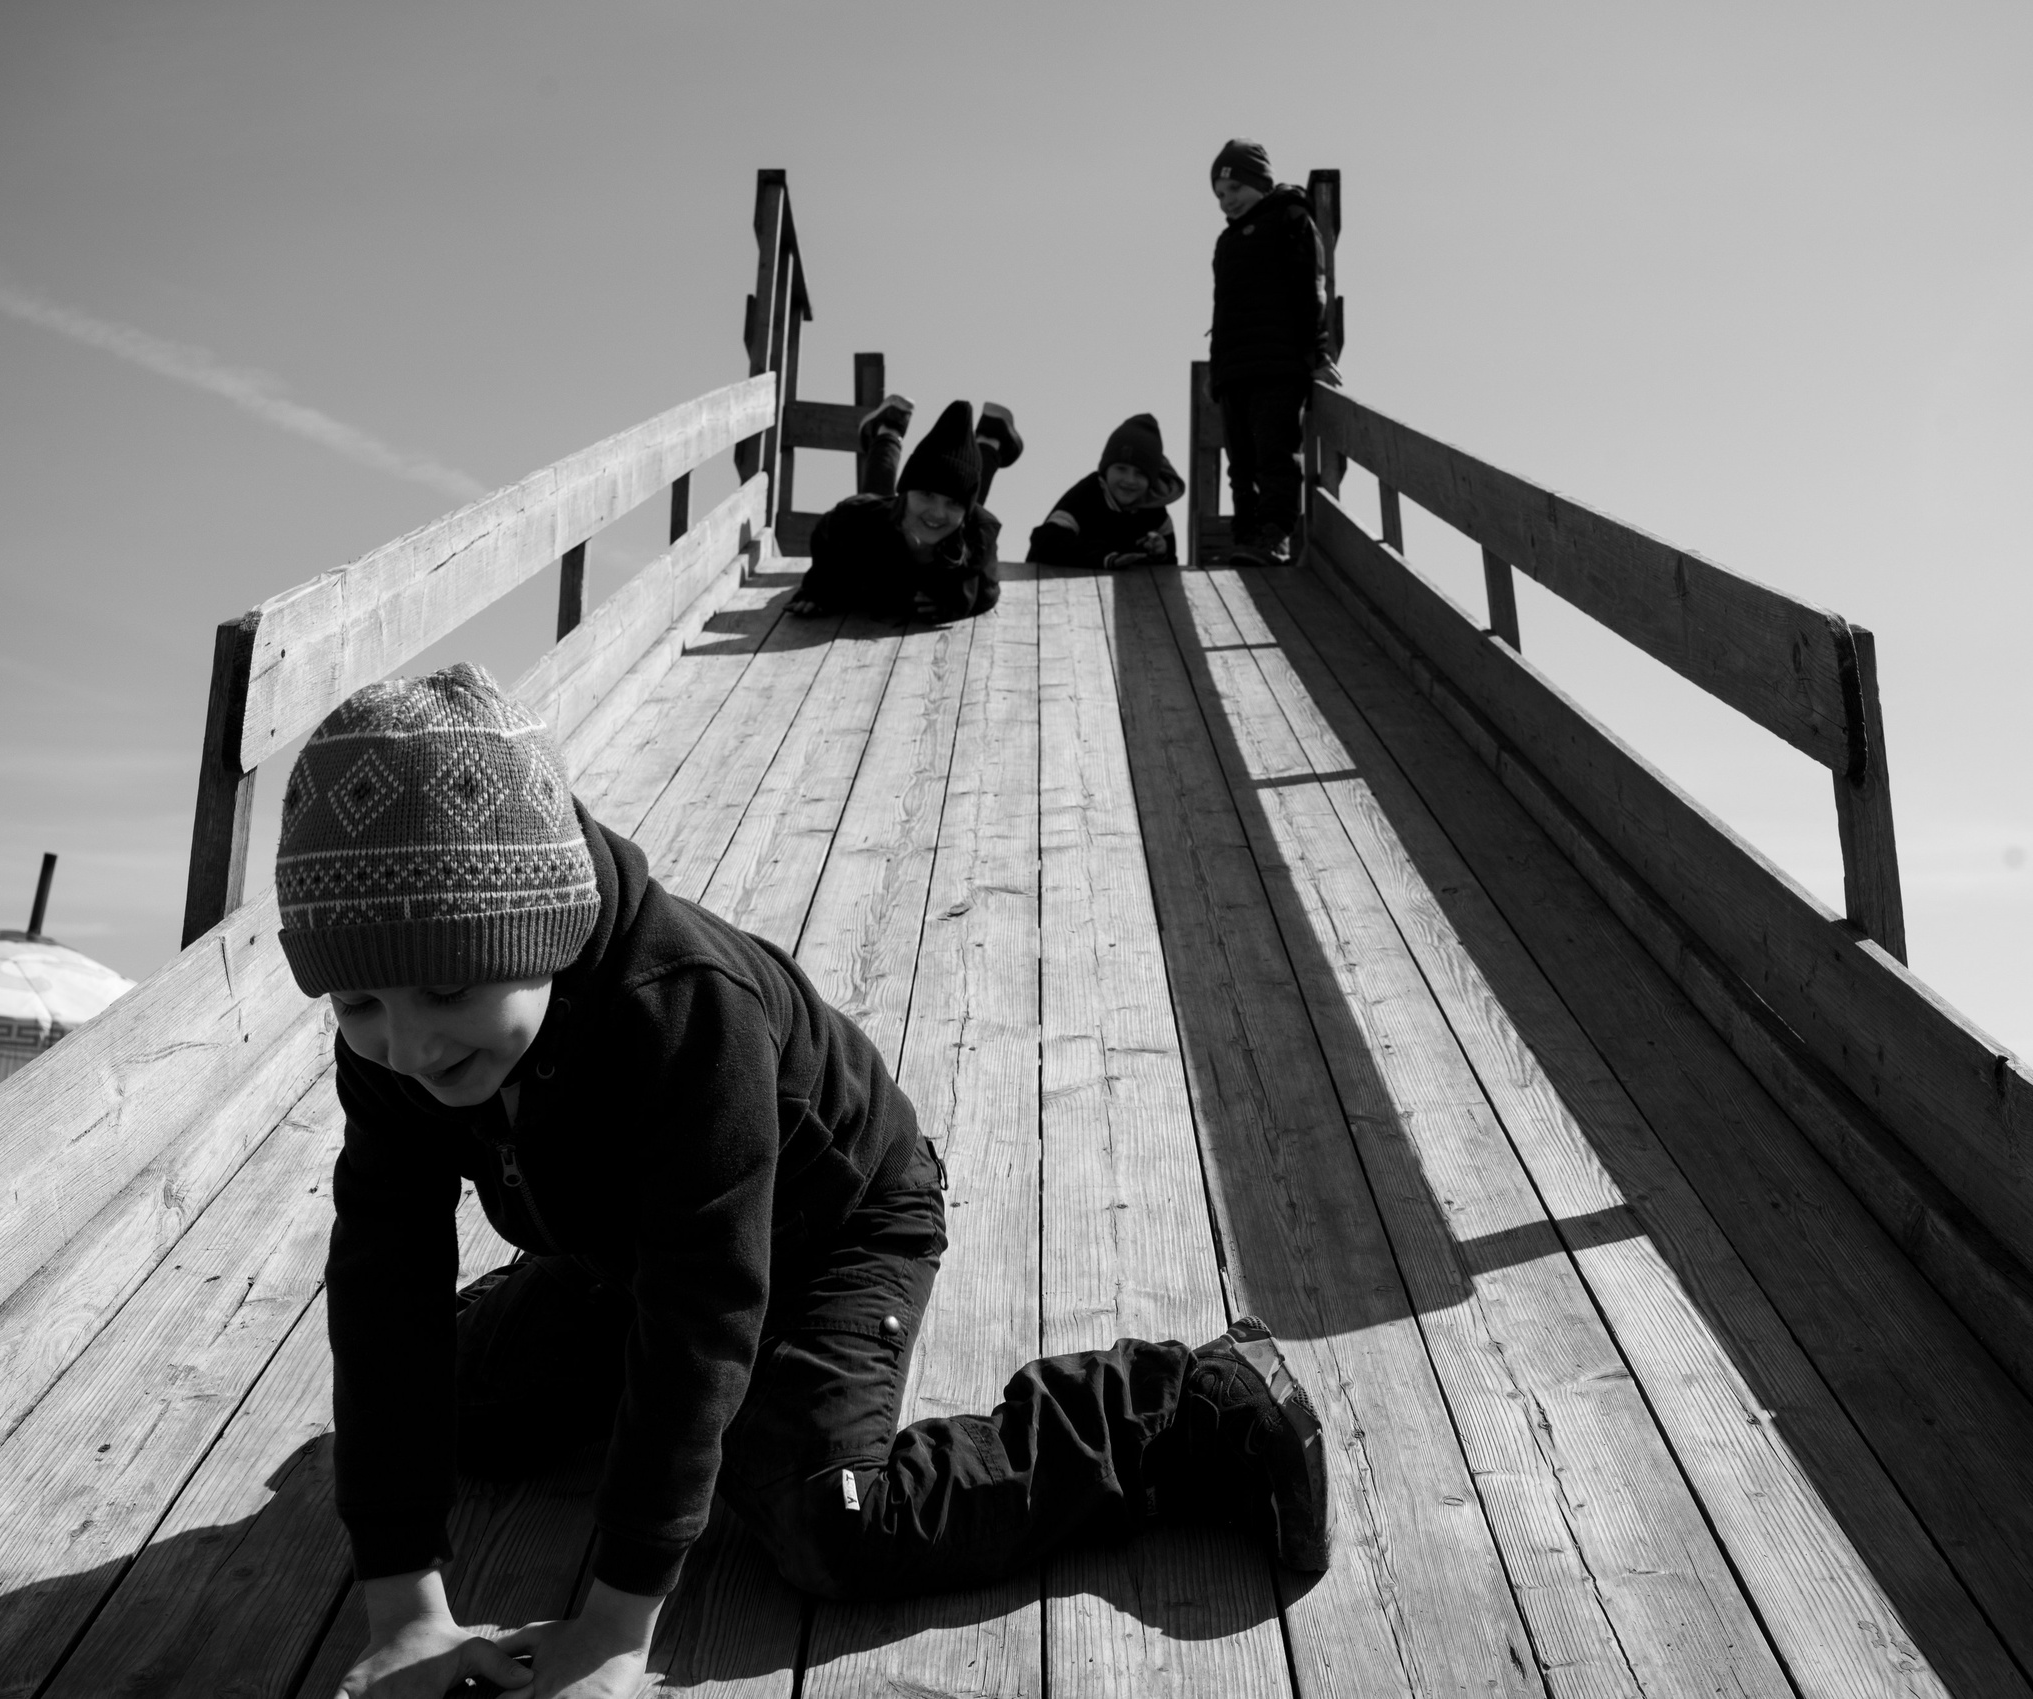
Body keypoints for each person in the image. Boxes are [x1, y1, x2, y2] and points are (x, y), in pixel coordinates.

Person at [281, 664, 1329, 1699]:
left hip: (829, 1228)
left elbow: (703, 1312)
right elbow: (385, 1285)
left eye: (450, 986)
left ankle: (1175, 1409)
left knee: (827, 1521)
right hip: (627, 1245)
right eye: (357, 1002)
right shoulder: (394, 1046)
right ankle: (571, 1335)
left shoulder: (686, 1012)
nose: (408, 1043)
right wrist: (403, 1608)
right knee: (465, 1410)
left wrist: (612, 1625)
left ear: (542, 928)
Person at [1206, 138, 1339, 566]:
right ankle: (1246, 534)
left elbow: (1309, 291)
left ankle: (1275, 534)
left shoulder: (1291, 218)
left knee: (1275, 454)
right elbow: (1221, 308)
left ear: (1258, 183)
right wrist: (1217, 368)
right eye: (1220, 195)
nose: (1227, 201)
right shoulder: (1226, 242)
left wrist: (1317, 355)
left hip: (1278, 365)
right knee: (1240, 461)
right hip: (1235, 370)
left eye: (1234, 190)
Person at [793, 399, 1022, 622]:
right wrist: (819, 587)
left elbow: (987, 594)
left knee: (957, 504)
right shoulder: (857, 519)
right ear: (906, 492)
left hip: (957, 530)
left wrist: (957, 602)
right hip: (883, 518)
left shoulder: (978, 536)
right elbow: (827, 535)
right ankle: (888, 430)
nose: (937, 512)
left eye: (952, 503)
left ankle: (989, 441)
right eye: (926, 495)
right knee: (879, 504)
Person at [1024, 413, 1184, 571]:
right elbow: (1045, 542)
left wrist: (1160, 554)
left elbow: (1170, 569)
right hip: (1053, 584)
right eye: (1121, 469)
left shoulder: (1156, 511)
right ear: (1105, 470)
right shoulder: (1086, 496)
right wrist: (1106, 558)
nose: (1129, 480)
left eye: (1140, 473)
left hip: (1126, 591)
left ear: (1151, 480)